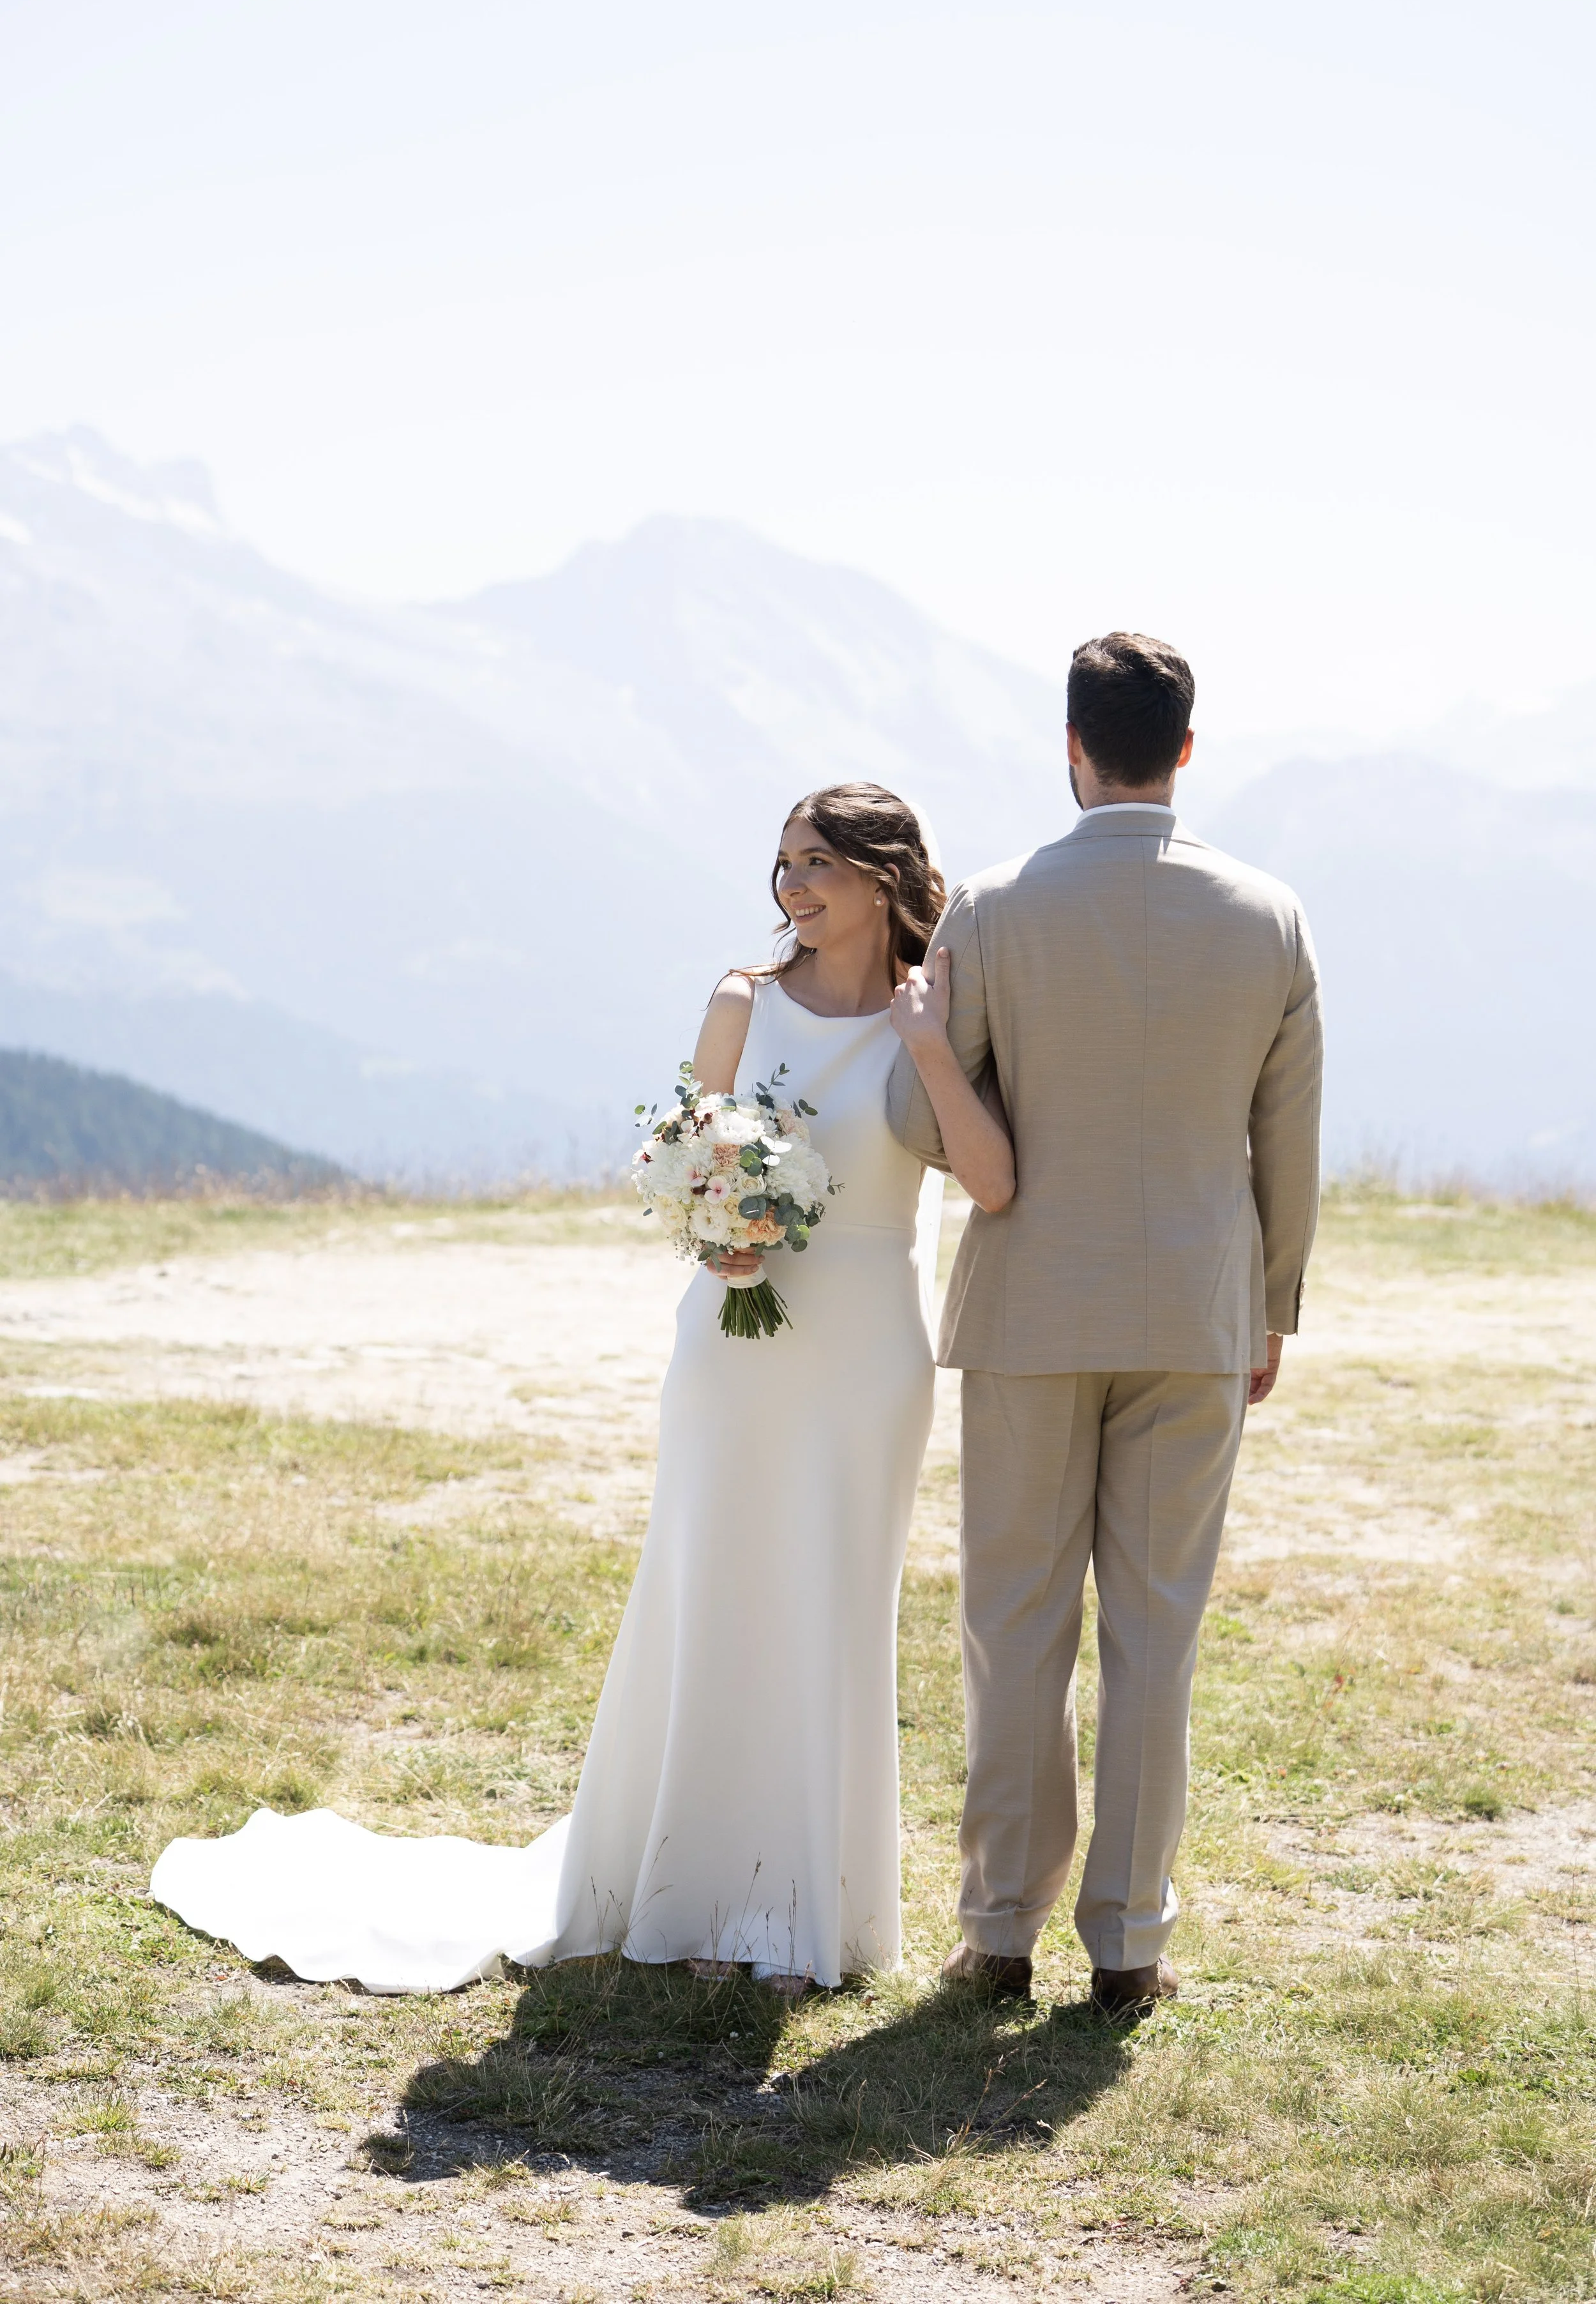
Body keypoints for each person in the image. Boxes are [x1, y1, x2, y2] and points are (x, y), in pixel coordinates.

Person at [151, 783, 1012, 1994]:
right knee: (708, 1592)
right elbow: (686, 1160)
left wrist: (926, 1042)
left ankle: (811, 1914)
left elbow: (996, 1178)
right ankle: (690, 1897)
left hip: (871, 1354)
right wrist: (719, 1234)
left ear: (882, 874)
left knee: (833, 1609)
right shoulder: (742, 1001)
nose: (794, 888)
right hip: (735, 1338)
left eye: (818, 862)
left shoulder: (937, 1011)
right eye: (783, 865)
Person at [887, 632, 1322, 2011]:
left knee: (1015, 1627)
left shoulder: (994, 912)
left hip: (1025, 1309)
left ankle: (998, 1930)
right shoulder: (1268, 915)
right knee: (1155, 1633)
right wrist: (1271, 1309)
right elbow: (1287, 1139)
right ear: (1183, 751)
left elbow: (920, 1120)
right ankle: (1128, 1946)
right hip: (1196, 1311)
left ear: (1069, 747)